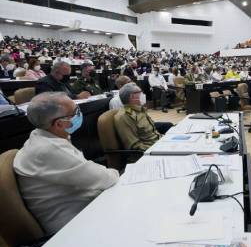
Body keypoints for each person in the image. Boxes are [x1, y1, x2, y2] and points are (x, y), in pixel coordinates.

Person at [13, 92, 119, 234]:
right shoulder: (48, 149)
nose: (79, 114)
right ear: (58, 123)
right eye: (75, 112)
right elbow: (106, 179)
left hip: (85, 205)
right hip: (73, 226)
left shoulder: (45, 136)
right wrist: (116, 172)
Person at [113, 83, 173, 157]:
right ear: (132, 96)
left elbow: (153, 132)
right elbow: (135, 146)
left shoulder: (139, 110)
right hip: (148, 153)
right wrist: (159, 148)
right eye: (140, 93)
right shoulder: (124, 116)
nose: (143, 95)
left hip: (159, 143)